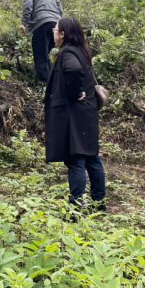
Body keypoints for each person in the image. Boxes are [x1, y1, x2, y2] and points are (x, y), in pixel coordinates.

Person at [44, 16, 106, 215]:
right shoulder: (82, 51)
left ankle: (75, 209)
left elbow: (73, 70)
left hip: (75, 114)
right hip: (87, 113)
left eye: (55, 29)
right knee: (91, 159)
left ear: (62, 34)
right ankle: (98, 203)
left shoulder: (68, 52)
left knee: (76, 159)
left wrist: (75, 93)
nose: (53, 32)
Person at [19, 0, 63, 85]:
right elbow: (60, 9)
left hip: (42, 23)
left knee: (40, 56)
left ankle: (46, 86)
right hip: (56, 25)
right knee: (45, 55)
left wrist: (23, 23)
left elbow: (28, 3)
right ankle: (55, 81)